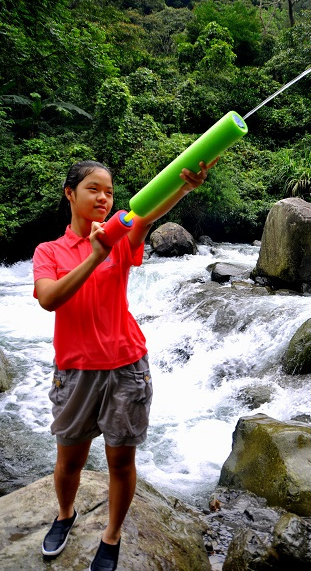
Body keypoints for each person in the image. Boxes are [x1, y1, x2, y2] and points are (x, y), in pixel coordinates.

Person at [33, 157, 217, 571]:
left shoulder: (119, 233)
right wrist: (96, 255)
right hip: (76, 371)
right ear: (70, 194)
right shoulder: (49, 251)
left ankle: (111, 535)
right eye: (93, 189)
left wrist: (185, 186)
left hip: (127, 367)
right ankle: (65, 515)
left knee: (121, 460)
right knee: (69, 462)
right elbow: (50, 299)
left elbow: (146, 214)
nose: (103, 197)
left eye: (109, 191)